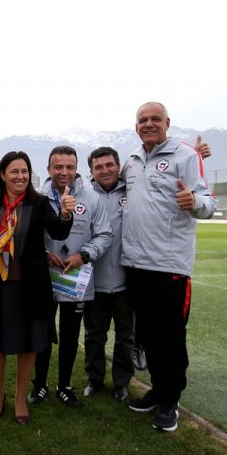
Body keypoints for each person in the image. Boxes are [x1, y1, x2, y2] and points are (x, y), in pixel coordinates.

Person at [122, 102, 216, 432]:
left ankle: (170, 402)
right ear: (136, 126)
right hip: (134, 264)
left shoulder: (186, 157)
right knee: (147, 335)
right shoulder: (131, 161)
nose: (148, 124)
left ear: (167, 123)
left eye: (154, 119)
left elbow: (209, 203)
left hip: (169, 266)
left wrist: (195, 203)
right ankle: (158, 391)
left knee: (171, 337)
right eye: (142, 120)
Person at [0, 151, 75, 425]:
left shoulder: (39, 203)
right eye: (14, 172)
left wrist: (66, 214)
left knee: (29, 344)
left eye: (25, 172)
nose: (20, 177)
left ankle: (20, 397)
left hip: (30, 287)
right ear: (2, 175)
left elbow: (58, 231)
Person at [29, 146, 111, 408]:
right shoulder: (37, 197)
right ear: (49, 169)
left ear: (77, 169)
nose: (64, 172)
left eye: (70, 167)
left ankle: (64, 385)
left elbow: (105, 234)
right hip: (44, 277)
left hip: (76, 277)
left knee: (70, 335)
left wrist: (83, 255)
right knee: (42, 333)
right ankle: (39, 384)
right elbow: (25, 237)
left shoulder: (91, 198)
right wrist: (43, 253)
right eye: (58, 167)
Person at [83, 146, 137, 402]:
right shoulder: (85, 196)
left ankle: (122, 382)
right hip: (94, 282)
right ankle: (94, 379)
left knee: (125, 337)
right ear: (91, 171)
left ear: (118, 166)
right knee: (95, 335)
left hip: (127, 282)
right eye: (98, 167)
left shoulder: (133, 191)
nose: (105, 170)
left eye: (109, 165)